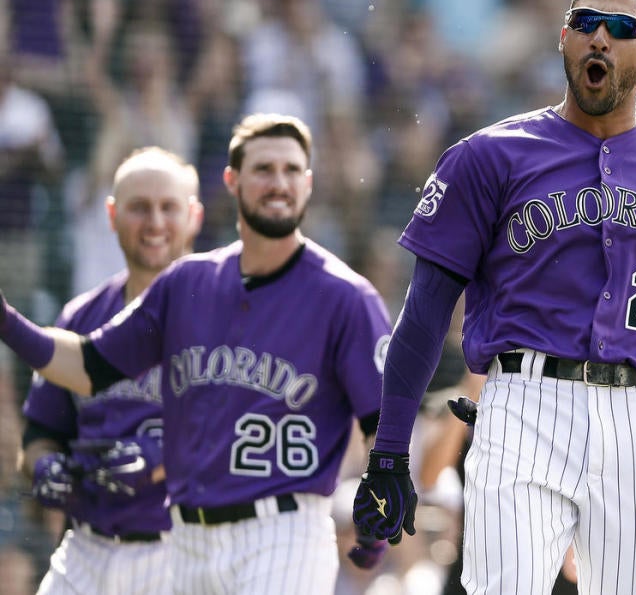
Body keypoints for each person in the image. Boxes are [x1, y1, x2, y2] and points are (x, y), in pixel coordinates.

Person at [351, 0, 636, 595]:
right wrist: (389, 452)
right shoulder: (488, 155)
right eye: (585, 22)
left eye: (620, 26)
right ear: (563, 37)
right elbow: (424, 313)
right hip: (523, 403)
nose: (599, 38)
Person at [0, 113, 393, 594]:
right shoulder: (187, 285)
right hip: (188, 537)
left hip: (283, 530)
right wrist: (7, 321)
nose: (279, 182)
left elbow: (383, 421)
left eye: (292, 171)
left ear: (309, 184)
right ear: (231, 181)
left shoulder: (345, 297)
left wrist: (381, 500)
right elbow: (87, 365)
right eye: (264, 169)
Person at [20, 147, 202, 593]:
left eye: (168, 208)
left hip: (180, 552)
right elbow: (37, 437)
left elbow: (242, 436)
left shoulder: (224, 318)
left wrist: (160, 459)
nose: (155, 222)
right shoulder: (80, 319)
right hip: (84, 549)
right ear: (112, 215)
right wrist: (47, 469)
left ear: (194, 216)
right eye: (139, 207)